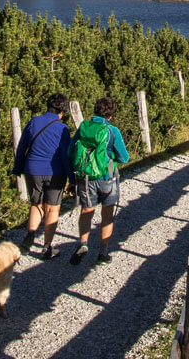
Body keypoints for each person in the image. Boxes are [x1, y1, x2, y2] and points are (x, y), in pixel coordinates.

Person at [68, 97, 131, 265]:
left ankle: (83, 243)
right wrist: (112, 159)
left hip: (86, 177)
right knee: (107, 214)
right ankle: (103, 252)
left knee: (87, 210)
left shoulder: (83, 127)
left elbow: (70, 151)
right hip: (107, 176)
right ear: (111, 114)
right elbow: (124, 157)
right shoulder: (112, 131)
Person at [13, 93, 72, 259]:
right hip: (55, 172)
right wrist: (72, 179)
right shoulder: (62, 129)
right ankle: (47, 247)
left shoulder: (33, 122)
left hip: (32, 169)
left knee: (36, 203)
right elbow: (65, 156)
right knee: (52, 208)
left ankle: (31, 233)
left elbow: (21, 146)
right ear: (62, 111)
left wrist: (17, 168)